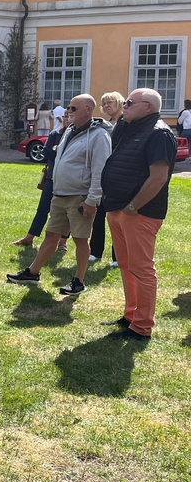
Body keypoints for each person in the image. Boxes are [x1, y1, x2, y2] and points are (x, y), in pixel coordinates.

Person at [7, 94, 111, 296]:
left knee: (80, 240)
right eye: (69, 108)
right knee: (51, 235)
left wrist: (92, 200)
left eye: (73, 108)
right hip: (60, 193)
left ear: (88, 110)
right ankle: (33, 272)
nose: (68, 112)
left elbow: (101, 170)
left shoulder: (99, 135)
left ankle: (78, 281)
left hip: (80, 196)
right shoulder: (69, 131)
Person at [100, 88, 177, 340]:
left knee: (142, 269)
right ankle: (131, 315)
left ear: (148, 107)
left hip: (139, 212)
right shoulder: (129, 126)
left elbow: (158, 178)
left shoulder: (159, 134)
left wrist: (133, 206)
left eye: (130, 103)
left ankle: (142, 326)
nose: (125, 106)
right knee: (125, 264)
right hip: (118, 207)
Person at [10, 127, 70, 253]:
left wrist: (60, 151)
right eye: (65, 116)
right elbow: (46, 152)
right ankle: (29, 238)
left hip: (68, 180)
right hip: (51, 178)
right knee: (42, 208)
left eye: (69, 115)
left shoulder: (77, 134)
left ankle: (62, 242)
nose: (67, 118)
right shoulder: (55, 133)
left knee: (67, 212)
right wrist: (56, 150)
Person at [90, 91, 125, 264]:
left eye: (110, 102)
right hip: (102, 173)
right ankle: (95, 252)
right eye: (104, 104)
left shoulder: (126, 123)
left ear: (119, 102)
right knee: (98, 215)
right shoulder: (103, 124)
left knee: (116, 219)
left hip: (118, 175)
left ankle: (117, 256)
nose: (106, 106)